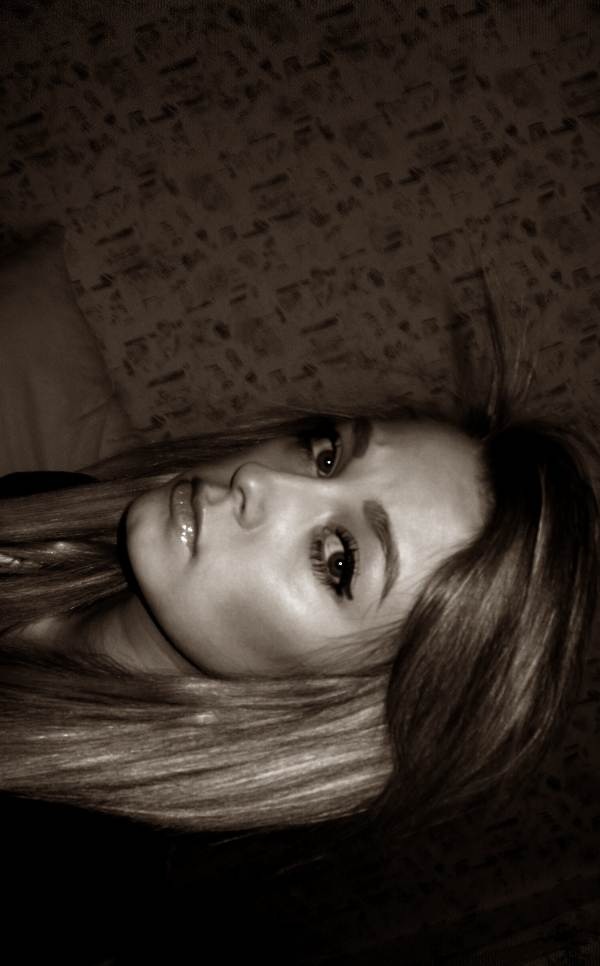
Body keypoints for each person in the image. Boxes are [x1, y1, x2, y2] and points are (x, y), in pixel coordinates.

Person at [0, 290, 598, 847]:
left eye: (339, 559)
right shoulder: (51, 508)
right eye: (327, 456)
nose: (258, 480)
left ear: (337, 707)